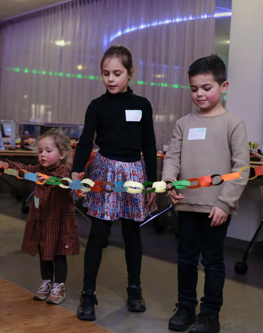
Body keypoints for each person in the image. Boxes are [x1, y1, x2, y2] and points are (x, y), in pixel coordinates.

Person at [162, 55, 249, 333]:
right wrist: (169, 182)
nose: (199, 93)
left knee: (212, 261)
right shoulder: (184, 123)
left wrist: (225, 202)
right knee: (186, 258)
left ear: (223, 87)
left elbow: (241, 169)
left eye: (206, 87)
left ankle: (210, 314)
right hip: (187, 205)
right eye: (194, 88)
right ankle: (185, 307)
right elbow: (172, 157)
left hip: (216, 209)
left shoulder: (233, 124)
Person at [71, 45, 157, 321]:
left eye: (117, 73)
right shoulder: (97, 106)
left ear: (130, 74)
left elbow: (149, 143)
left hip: (134, 175)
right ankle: (88, 293)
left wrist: (152, 183)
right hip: (104, 174)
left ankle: (134, 289)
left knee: (133, 234)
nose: (110, 79)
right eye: (105, 73)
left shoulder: (142, 105)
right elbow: (86, 141)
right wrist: (76, 172)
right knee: (98, 234)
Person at [0, 128, 80, 305]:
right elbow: (25, 169)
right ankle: (46, 282)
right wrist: (6, 165)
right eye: (40, 151)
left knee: (59, 254)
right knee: (44, 252)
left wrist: (50, 180)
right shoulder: (39, 169)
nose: (42, 155)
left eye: (48, 151)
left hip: (59, 222)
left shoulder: (64, 171)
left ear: (62, 154)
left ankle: (59, 285)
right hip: (41, 221)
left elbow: (62, 181)